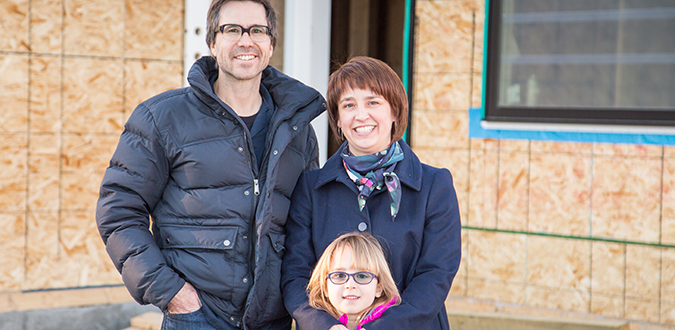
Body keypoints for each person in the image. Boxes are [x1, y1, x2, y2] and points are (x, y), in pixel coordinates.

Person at [95, 0, 326, 329]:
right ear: (213, 43)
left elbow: (306, 225)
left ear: (271, 44)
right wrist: (173, 294)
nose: (246, 41)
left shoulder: (296, 129)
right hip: (195, 316)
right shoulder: (162, 118)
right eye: (232, 30)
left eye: (257, 30)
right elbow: (117, 212)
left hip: (271, 318)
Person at [281, 56, 461, 330]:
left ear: (395, 112)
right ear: (338, 120)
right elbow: (295, 275)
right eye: (349, 105)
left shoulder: (435, 185)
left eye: (373, 102)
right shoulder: (310, 189)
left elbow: (436, 274)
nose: (361, 115)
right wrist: (323, 326)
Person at [307, 232, 400, 330]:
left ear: (378, 288)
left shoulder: (393, 324)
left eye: (362, 276)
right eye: (340, 275)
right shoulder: (314, 324)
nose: (350, 285)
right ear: (325, 287)